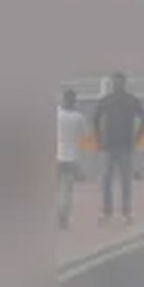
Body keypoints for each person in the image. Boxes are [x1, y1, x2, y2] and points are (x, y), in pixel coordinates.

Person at [91, 73, 144, 224]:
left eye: (119, 82)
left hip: (126, 146)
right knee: (106, 180)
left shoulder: (131, 100)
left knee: (126, 181)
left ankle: (126, 212)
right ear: (112, 84)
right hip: (108, 146)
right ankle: (107, 212)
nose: (117, 85)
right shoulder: (106, 100)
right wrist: (99, 139)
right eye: (115, 82)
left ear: (124, 83)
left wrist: (137, 137)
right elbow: (95, 119)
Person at [57, 88, 89, 229]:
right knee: (66, 190)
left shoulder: (55, 114)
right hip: (71, 157)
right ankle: (63, 218)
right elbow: (83, 135)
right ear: (74, 101)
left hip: (55, 156)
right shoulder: (78, 117)